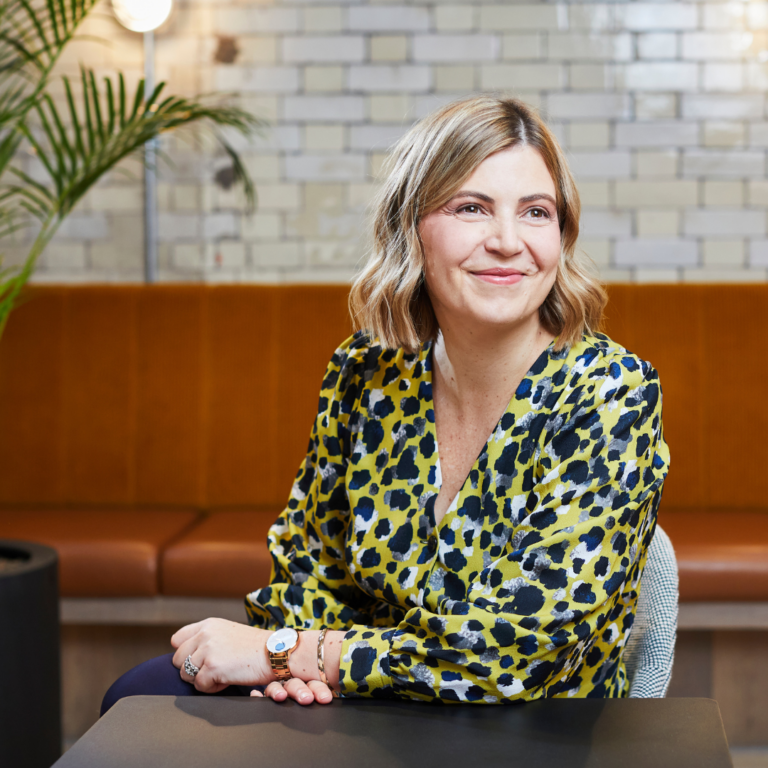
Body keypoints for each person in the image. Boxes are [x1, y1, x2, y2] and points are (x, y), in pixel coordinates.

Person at [101, 94, 669, 714]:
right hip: (369, 701)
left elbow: (512, 655)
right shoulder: (366, 371)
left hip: (525, 724)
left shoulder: (612, 393)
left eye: (536, 212)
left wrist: (291, 655)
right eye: (472, 208)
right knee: (138, 697)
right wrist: (303, 670)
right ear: (412, 228)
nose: (508, 241)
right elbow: (310, 565)